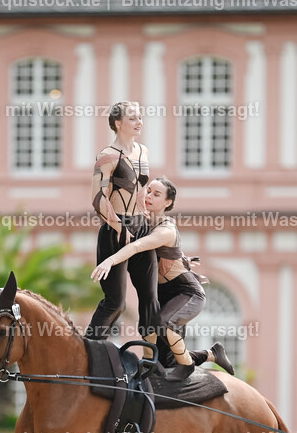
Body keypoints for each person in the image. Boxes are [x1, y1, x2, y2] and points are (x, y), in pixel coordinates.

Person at [92, 176, 236, 381]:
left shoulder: (166, 229)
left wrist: (109, 261)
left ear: (167, 203)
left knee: (163, 323)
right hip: (163, 295)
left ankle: (186, 366)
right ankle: (212, 354)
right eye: (148, 191)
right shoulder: (143, 221)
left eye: (156, 194)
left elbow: (137, 246)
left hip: (185, 293)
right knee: (163, 358)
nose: (149, 196)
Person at [86, 101, 160, 342]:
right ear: (118, 123)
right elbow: (98, 198)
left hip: (141, 227)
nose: (139, 122)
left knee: (150, 297)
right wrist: (119, 226)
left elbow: (141, 189)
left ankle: (155, 357)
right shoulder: (107, 156)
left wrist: (148, 215)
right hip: (115, 230)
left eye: (140, 117)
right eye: (132, 118)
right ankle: (90, 348)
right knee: (116, 302)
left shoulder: (143, 151)